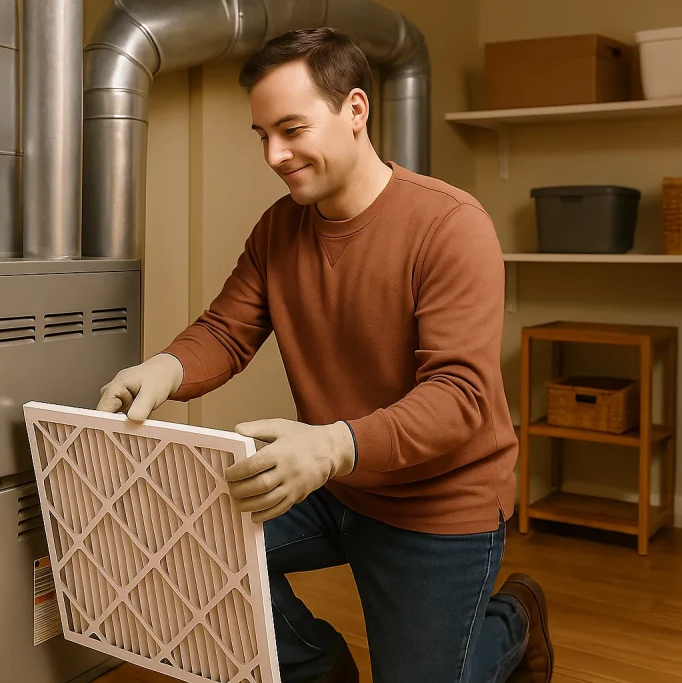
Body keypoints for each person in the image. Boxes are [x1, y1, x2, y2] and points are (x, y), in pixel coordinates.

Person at [96, 27, 553, 683]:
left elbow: (460, 396)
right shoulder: (278, 229)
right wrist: (164, 367)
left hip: (437, 502)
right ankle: (318, 667)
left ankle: (514, 620)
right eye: (262, 135)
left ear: (356, 110)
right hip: (332, 480)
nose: (275, 155)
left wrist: (333, 444)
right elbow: (226, 330)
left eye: (291, 129)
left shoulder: (451, 226)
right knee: (180, 543)